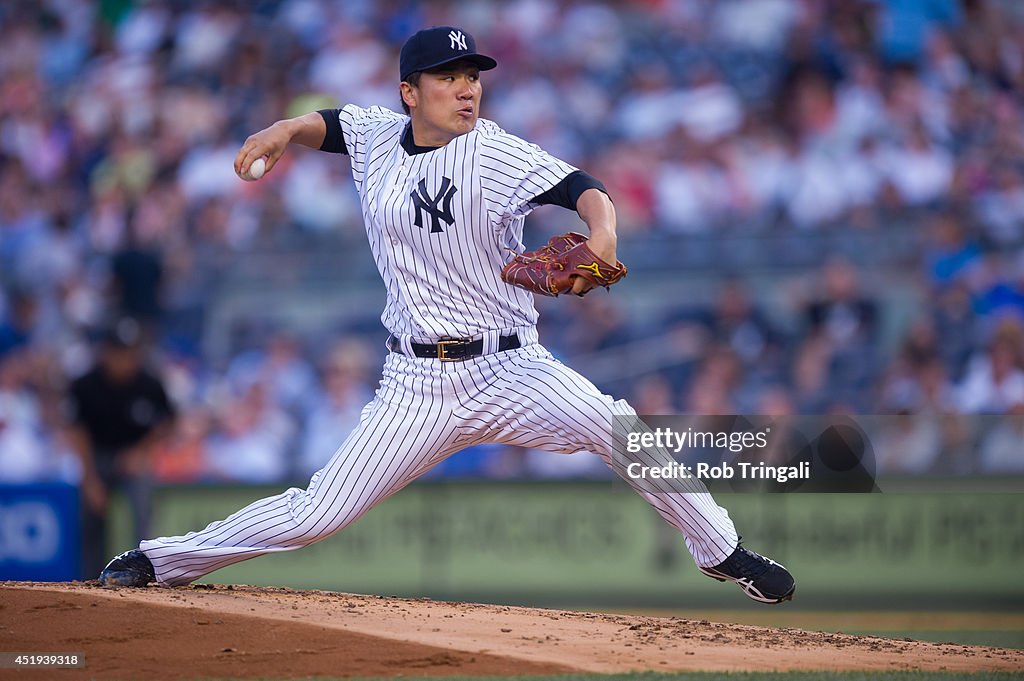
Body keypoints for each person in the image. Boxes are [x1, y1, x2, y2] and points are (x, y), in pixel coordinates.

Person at [99, 26, 795, 604]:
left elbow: (582, 187)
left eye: (472, 75)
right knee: (318, 512)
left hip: (511, 366)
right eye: (446, 77)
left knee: (621, 426)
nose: (465, 87)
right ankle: (162, 561)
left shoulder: (487, 149)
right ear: (410, 93)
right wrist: (284, 128)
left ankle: (722, 549)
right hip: (416, 385)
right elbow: (334, 124)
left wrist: (604, 233)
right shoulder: (378, 137)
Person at [69, 318, 175, 578]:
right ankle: (90, 581)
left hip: (133, 456)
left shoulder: (149, 383)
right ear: (106, 351)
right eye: (118, 352)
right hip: (98, 456)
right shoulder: (86, 385)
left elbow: (169, 420)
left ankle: (147, 574)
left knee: (143, 514)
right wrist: (89, 477)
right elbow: (77, 431)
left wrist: (142, 451)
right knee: (92, 521)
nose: (124, 360)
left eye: (129, 353)